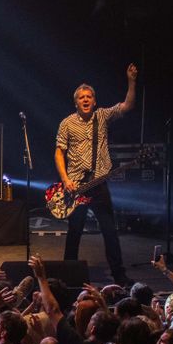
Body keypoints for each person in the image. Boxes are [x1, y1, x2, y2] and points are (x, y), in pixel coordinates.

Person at [54, 64, 137, 286]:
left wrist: (131, 81)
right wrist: (66, 180)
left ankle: (119, 275)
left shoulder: (102, 116)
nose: (86, 99)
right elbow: (59, 152)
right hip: (77, 187)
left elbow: (128, 106)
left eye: (89, 96)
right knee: (74, 233)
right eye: (82, 97)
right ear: (76, 102)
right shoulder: (67, 124)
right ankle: (68, 275)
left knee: (110, 232)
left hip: (99, 185)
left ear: (94, 100)